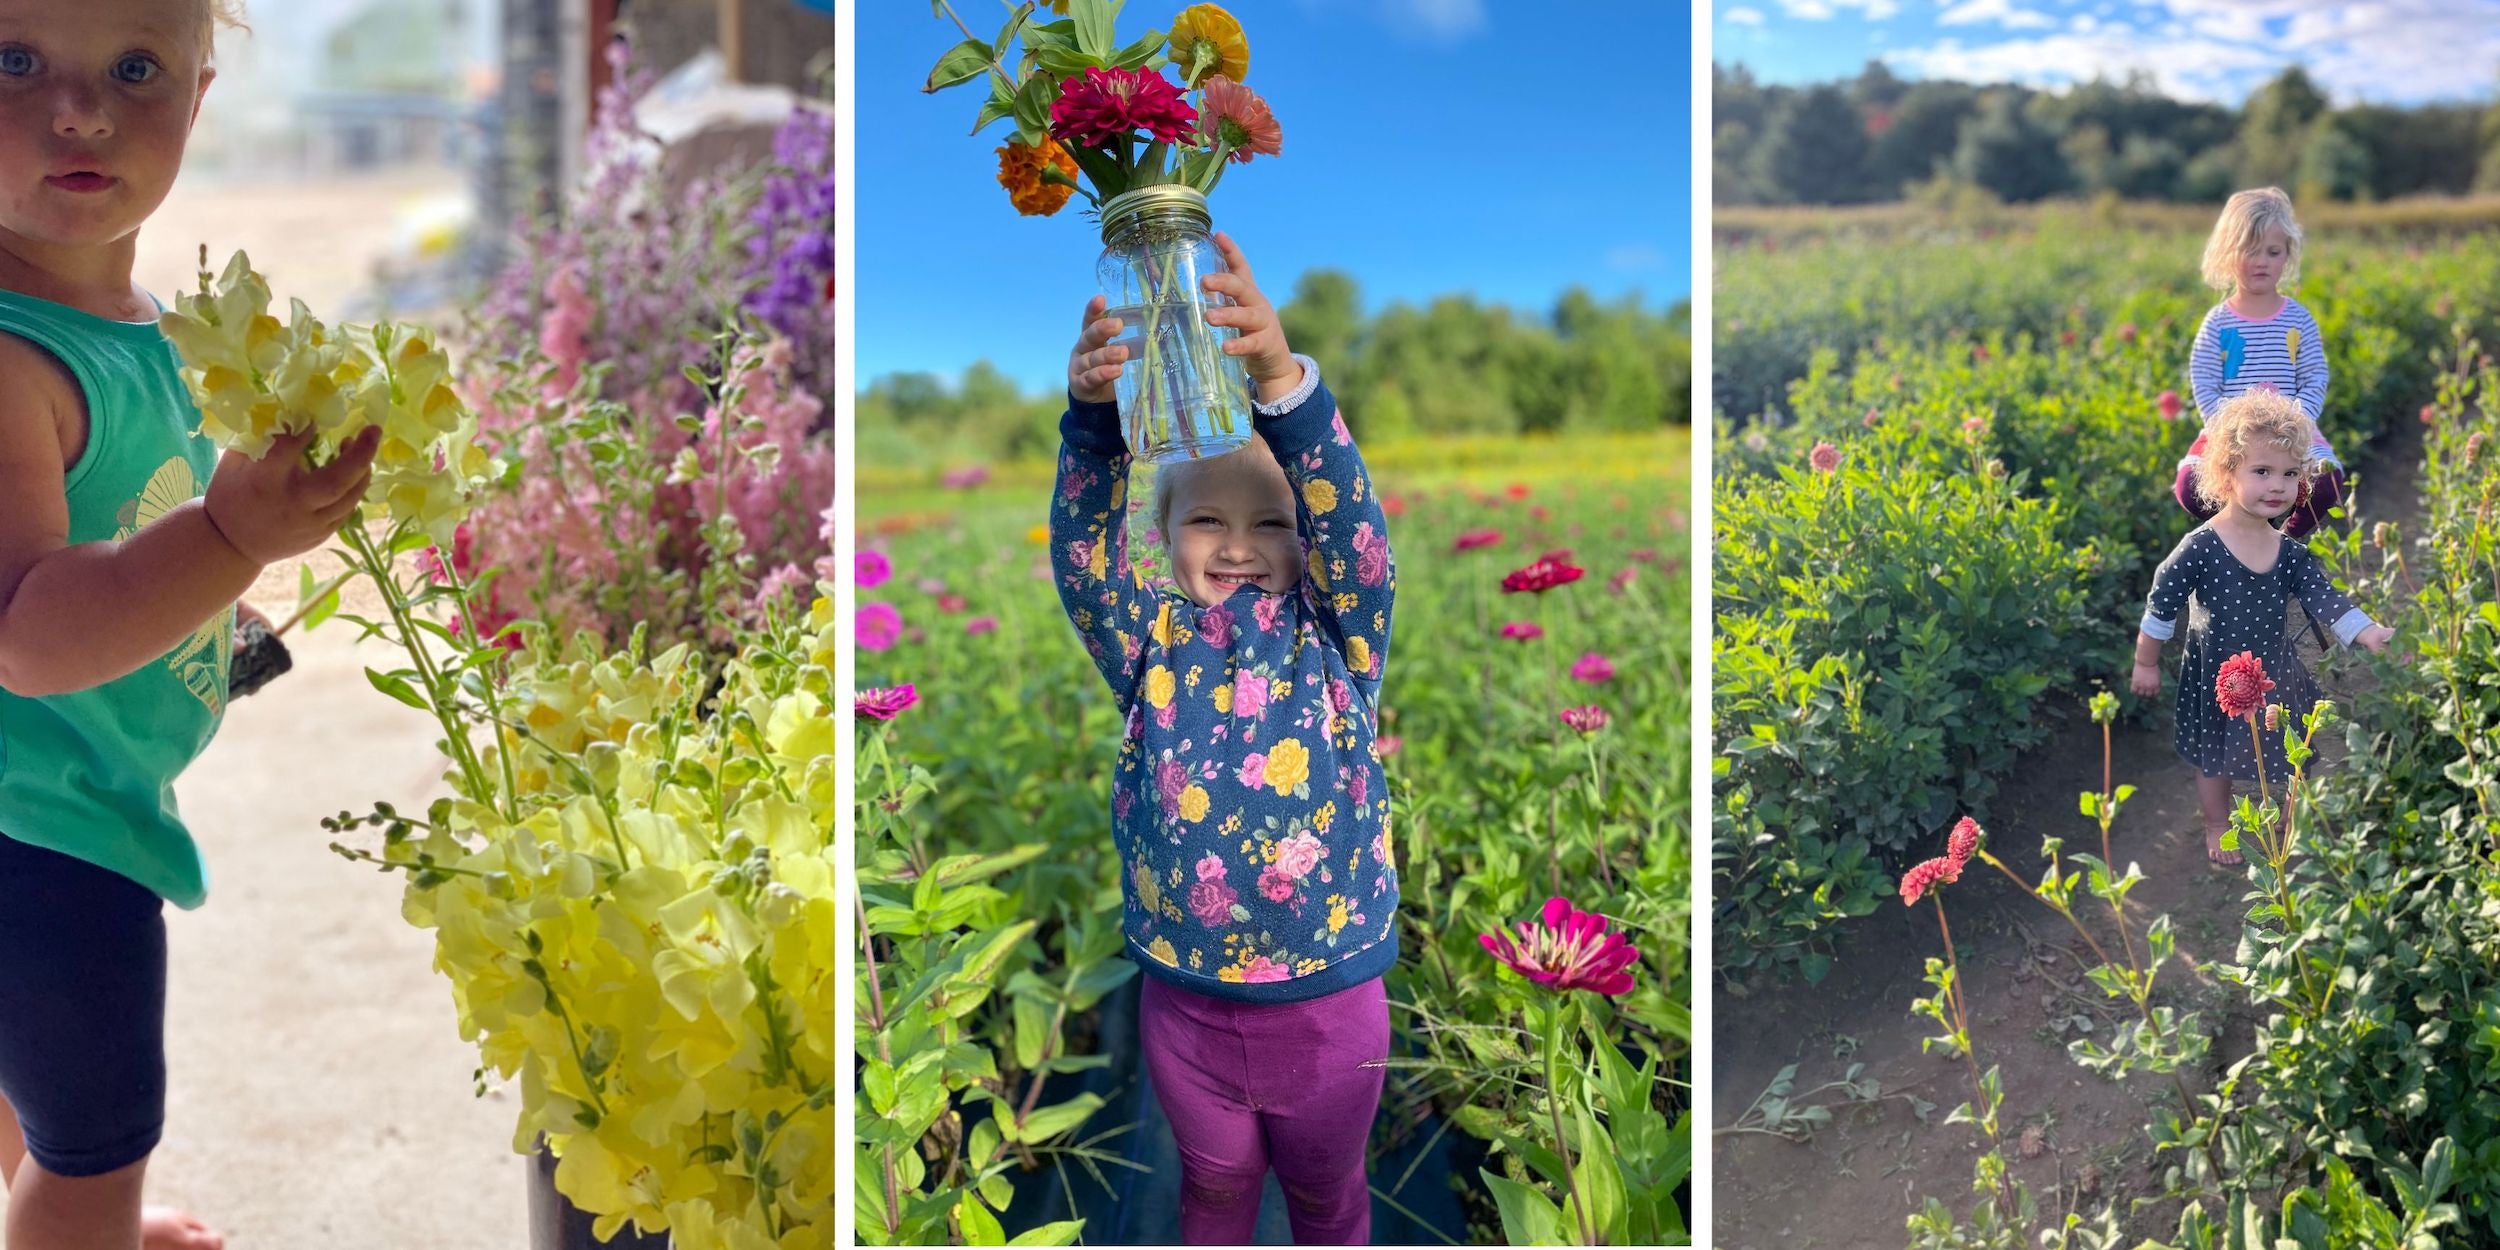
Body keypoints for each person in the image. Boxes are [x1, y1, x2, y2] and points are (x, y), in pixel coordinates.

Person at [0, 3, 382, 1247]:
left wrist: (215, 594)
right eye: (13, 60)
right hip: (41, 841)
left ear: (198, 95)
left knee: (25, 1085)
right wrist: (226, 542)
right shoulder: (10, 363)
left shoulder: (131, 329)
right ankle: (74, 1219)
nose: (80, 109)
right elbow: (32, 635)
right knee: (94, 1145)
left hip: (56, 805)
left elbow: (128, 522)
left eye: (133, 66)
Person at [1048, 232, 1396, 1244]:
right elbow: (1078, 552)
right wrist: (1091, 425)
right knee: (1209, 1197)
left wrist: (1281, 382)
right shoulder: (1148, 642)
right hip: (1186, 1011)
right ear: (1164, 538)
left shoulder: (1338, 641)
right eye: (1206, 519)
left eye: (1272, 525)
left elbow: (1357, 531)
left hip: (1327, 1011)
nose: (1239, 544)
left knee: (1329, 1205)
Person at [2132, 392, 2394, 867]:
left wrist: (2367, 630)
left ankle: (2288, 819)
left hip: (2275, 670)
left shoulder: (2289, 552)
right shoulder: (2201, 548)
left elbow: (2323, 597)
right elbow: (2162, 603)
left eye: (2290, 474)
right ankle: (2218, 824)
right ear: (2226, 474)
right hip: (2214, 674)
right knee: (2214, 757)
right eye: (2262, 472)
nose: (2278, 486)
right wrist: (2145, 662)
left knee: (2295, 747)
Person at [2173, 186, 2344, 540]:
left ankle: (2282, 545)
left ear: (2287, 256)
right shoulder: (2219, 322)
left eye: (2273, 251)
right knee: (2190, 486)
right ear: (2226, 253)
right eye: (2249, 250)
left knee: (2327, 485)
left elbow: (2313, 376)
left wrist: (2297, 421)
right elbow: (2204, 381)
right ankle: (2239, 538)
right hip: (2230, 434)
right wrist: (2232, 429)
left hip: (2292, 431)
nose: (2262, 261)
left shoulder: (2298, 319)